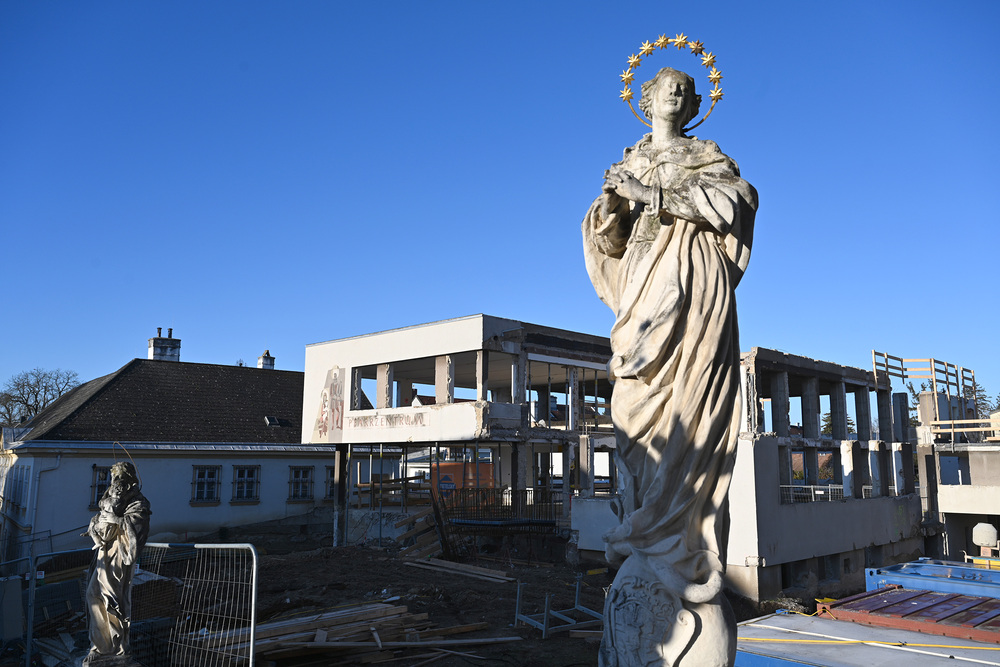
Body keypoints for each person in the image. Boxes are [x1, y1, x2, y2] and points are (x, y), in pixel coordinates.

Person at [582, 67, 757, 665]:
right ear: (647, 98)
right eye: (667, 87)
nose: (676, 94)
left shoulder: (708, 158)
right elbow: (607, 243)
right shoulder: (628, 161)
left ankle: (679, 540)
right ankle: (643, 523)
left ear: (695, 102)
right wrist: (612, 208)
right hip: (641, 290)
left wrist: (650, 195)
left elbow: (735, 203)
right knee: (634, 409)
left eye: (686, 88)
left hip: (692, 293)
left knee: (692, 406)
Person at [83, 461, 151, 665]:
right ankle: (100, 646)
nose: (117, 481)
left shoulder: (139, 503)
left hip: (119, 555)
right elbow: (99, 517)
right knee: (93, 595)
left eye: (121, 477)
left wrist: (116, 519)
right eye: (114, 477)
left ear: (129, 480)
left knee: (112, 600)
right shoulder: (109, 497)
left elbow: (137, 529)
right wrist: (99, 522)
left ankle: (116, 646)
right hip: (104, 553)